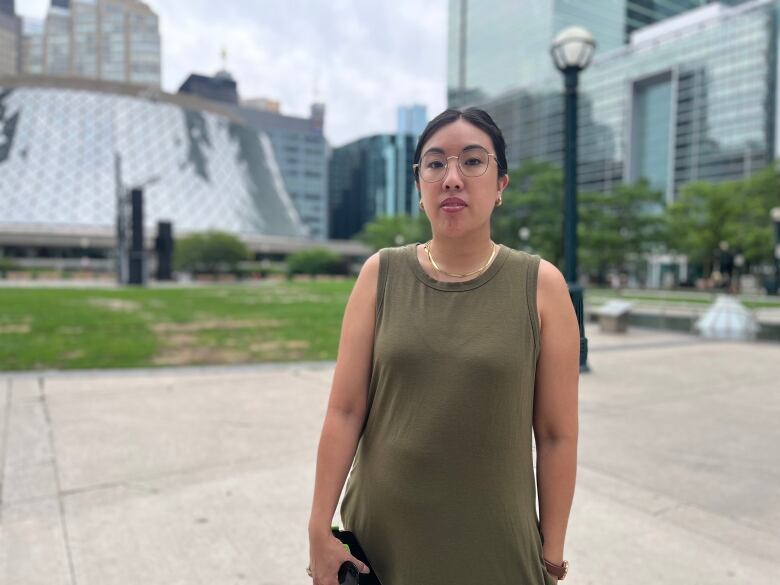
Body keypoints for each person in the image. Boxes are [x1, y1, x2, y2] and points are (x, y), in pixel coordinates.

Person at [307, 107, 579, 585]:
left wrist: (551, 556)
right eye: (435, 164)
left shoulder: (541, 286)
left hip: (496, 549)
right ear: (418, 186)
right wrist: (318, 528)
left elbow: (556, 435)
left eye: (473, 162)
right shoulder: (380, 274)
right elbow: (345, 410)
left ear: (501, 186)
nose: (451, 178)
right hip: (381, 547)